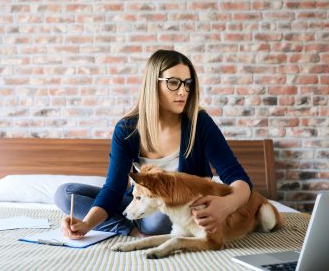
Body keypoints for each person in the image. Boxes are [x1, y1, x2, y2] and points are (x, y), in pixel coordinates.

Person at [54, 49, 252, 239]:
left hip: (179, 210)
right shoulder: (127, 129)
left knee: (158, 220)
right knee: (65, 194)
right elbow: (114, 189)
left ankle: (140, 226)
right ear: (153, 84)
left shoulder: (199, 124)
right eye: (173, 82)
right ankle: (129, 229)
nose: (183, 91)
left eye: (187, 83)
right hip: (139, 202)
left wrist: (226, 205)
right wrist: (87, 224)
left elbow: (237, 178)